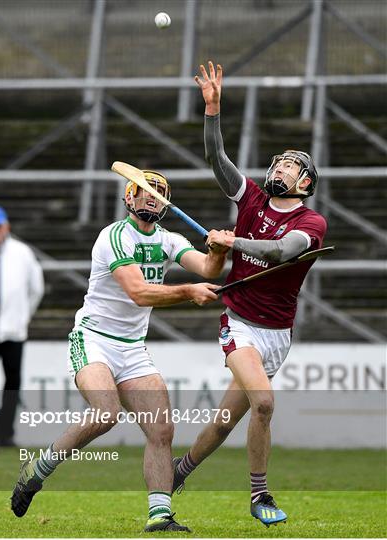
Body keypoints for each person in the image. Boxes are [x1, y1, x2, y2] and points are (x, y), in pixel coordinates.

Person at [11, 170, 230, 533]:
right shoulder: (113, 236)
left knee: (161, 429)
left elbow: (208, 268)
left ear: (165, 203)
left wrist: (217, 251)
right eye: (142, 191)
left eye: (158, 192)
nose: (150, 197)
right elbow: (139, 292)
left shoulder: (169, 239)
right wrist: (188, 291)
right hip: (94, 338)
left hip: (133, 347)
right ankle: (38, 469)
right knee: (105, 413)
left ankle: (160, 514)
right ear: (128, 199)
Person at [172, 62, 328, 527]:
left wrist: (232, 241)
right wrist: (213, 109)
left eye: (292, 166)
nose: (282, 167)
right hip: (238, 322)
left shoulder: (311, 223)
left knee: (224, 421)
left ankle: (178, 472)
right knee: (264, 404)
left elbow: (282, 253)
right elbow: (217, 160)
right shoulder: (252, 199)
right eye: (279, 162)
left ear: (305, 182)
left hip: (277, 333)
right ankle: (261, 496)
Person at [0, 206, 44, 448]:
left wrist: (22, 317)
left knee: (12, 382)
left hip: (13, 331)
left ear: (6, 227)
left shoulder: (22, 253)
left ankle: (6, 433)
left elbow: (36, 288)